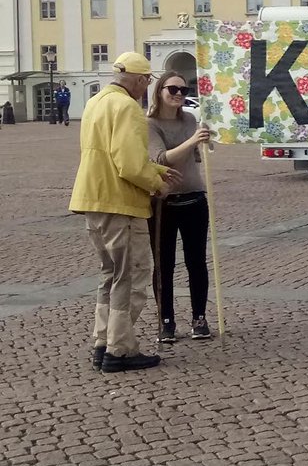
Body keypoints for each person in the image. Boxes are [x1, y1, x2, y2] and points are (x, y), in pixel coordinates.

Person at [69, 52, 180, 372]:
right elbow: (129, 164)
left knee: (110, 275)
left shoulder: (96, 102)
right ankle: (120, 349)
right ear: (139, 78)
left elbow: (110, 154)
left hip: (93, 197)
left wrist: (155, 171)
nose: (146, 87)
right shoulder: (128, 108)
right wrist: (155, 183)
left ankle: (102, 341)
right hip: (119, 202)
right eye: (146, 81)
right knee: (131, 275)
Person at [146, 72, 213, 343]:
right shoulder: (149, 123)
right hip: (164, 202)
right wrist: (193, 141)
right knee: (164, 264)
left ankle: (199, 317)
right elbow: (162, 159)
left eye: (184, 90)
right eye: (173, 88)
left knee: (196, 262)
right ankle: (166, 319)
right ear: (159, 90)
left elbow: (194, 156)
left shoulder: (190, 119)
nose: (179, 94)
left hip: (195, 197)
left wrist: (205, 141)